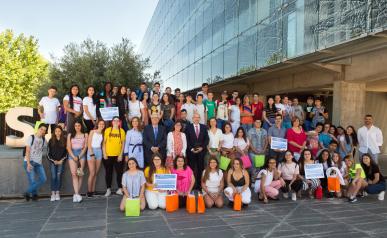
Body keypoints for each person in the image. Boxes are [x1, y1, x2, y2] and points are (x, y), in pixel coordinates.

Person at [23, 123, 48, 201]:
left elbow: (46, 148)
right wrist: (28, 163)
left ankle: (27, 192)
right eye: (41, 129)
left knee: (43, 179)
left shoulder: (44, 140)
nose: (43, 131)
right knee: (32, 180)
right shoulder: (31, 137)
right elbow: (27, 151)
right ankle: (34, 195)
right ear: (38, 129)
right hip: (30, 161)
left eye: (44, 130)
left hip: (38, 163)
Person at [103, 116, 126, 197]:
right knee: (108, 172)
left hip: (118, 156)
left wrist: (121, 154)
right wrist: (104, 153)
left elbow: (123, 144)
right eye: (114, 121)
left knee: (119, 172)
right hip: (108, 155)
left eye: (117, 121)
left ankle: (120, 189)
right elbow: (104, 143)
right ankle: (108, 189)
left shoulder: (122, 131)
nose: (116, 122)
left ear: (119, 122)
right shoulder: (107, 130)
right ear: (112, 122)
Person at [186, 113, 209, 189]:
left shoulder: (203, 127)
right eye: (195, 117)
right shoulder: (188, 127)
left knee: (200, 168)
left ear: (200, 118)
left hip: (201, 152)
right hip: (191, 152)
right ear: (192, 118)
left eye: (198, 117)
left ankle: (199, 185)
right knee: (191, 169)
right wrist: (191, 149)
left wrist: (202, 147)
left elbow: (206, 139)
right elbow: (187, 139)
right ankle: (191, 185)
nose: (196, 119)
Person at [67, 120, 88, 203]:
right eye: (76, 126)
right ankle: (76, 194)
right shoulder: (70, 135)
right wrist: (73, 156)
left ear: (81, 126)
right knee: (74, 174)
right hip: (72, 154)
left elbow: (85, 147)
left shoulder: (85, 134)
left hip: (81, 154)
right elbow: (68, 147)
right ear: (74, 126)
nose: (77, 127)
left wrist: (79, 156)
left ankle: (76, 194)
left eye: (79, 125)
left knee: (80, 174)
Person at [47, 125, 67, 201]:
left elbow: (66, 152)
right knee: (53, 176)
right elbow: (48, 153)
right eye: (56, 131)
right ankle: (53, 193)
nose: (57, 133)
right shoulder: (51, 140)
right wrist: (53, 161)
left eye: (59, 131)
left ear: (61, 132)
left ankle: (57, 193)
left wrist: (62, 160)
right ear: (54, 132)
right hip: (53, 162)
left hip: (61, 162)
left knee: (59, 176)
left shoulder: (64, 140)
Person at [86, 119, 105, 197]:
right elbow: (89, 144)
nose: (101, 125)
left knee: (96, 173)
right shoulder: (92, 132)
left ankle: (93, 190)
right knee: (92, 173)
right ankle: (89, 191)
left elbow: (102, 145)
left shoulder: (103, 134)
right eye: (100, 124)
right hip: (92, 151)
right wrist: (92, 154)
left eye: (103, 124)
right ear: (98, 124)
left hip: (99, 152)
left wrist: (103, 154)